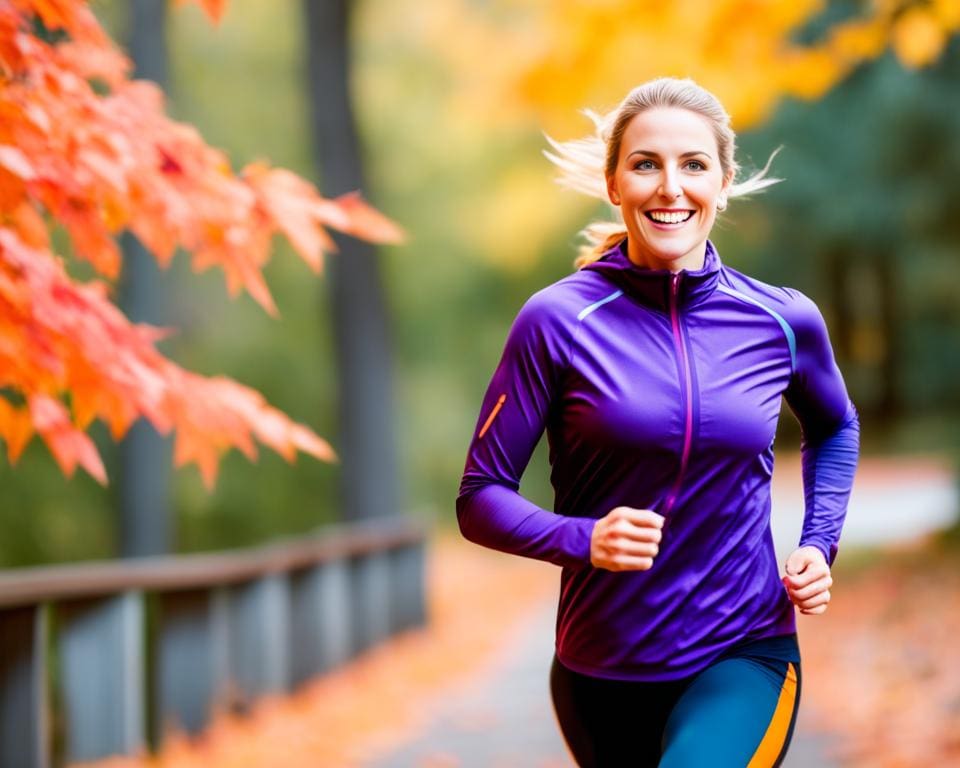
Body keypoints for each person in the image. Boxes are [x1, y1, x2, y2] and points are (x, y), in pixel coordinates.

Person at [455, 77, 859, 767]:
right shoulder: (555, 322)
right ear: (615, 184)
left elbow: (834, 424)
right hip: (598, 670)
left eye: (694, 165)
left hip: (745, 650)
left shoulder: (782, 319)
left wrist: (819, 543)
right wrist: (584, 539)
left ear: (723, 184)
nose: (670, 188)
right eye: (646, 164)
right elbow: (480, 498)